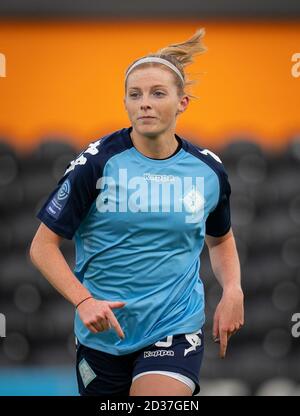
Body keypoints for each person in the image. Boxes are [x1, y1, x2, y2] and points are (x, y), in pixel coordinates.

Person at [30, 28, 244, 396]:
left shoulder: (208, 171)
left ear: (182, 102)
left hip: (175, 326)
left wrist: (233, 290)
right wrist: (83, 300)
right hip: (103, 335)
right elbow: (41, 247)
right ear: (126, 103)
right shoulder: (95, 164)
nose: (144, 103)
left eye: (158, 94)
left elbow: (220, 239)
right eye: (135, 94)